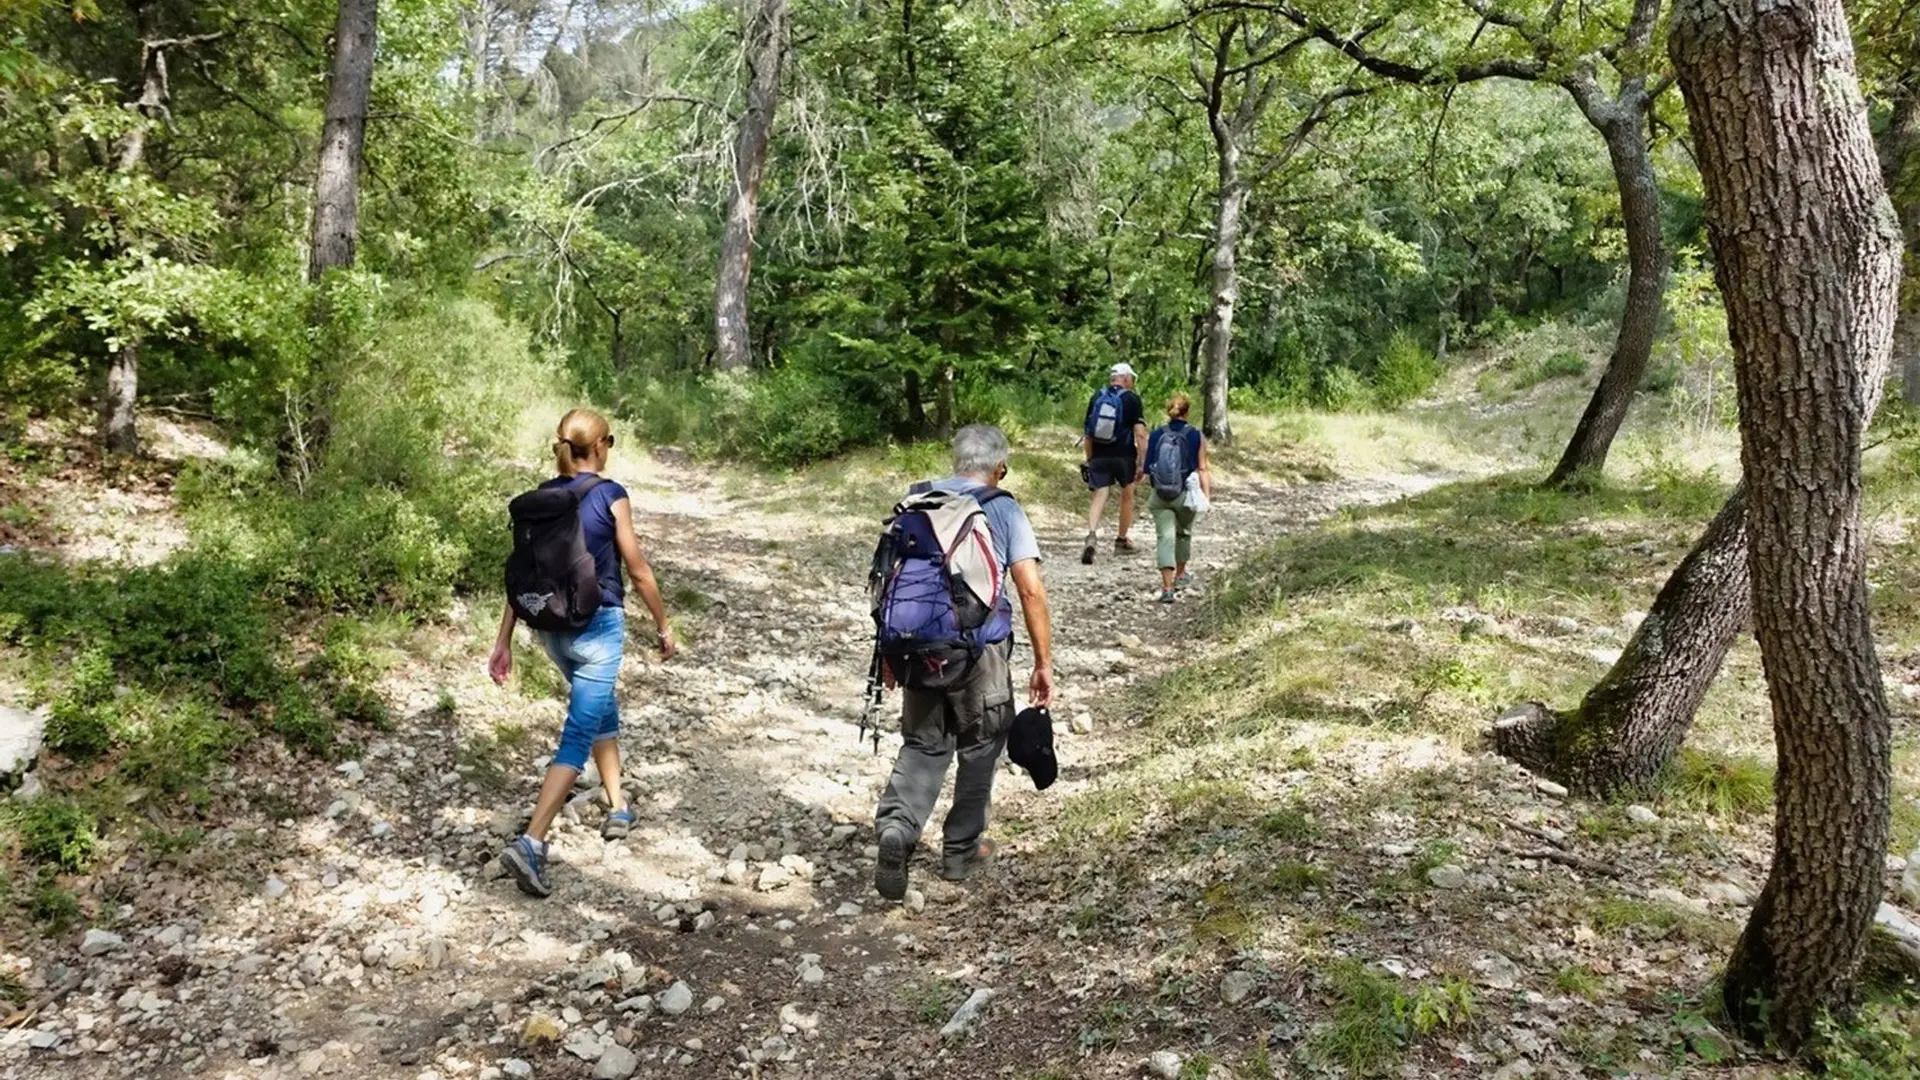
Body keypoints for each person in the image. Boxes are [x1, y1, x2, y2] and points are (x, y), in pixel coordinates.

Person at [487, 408, 676, 898]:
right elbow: (638, 570)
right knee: (578, 732)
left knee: (599, 712)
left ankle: (618, 806)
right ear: (601, 447)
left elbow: (519, 576)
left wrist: (504, 639)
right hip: (597, 629)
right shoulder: (609, 496)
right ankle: (532, 842)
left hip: (552, 631)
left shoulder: (540, 501)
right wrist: (663, 624)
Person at [874, 424, 1055, 900]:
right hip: (981, 651)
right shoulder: (1001, 507)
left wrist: (890, 654)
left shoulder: (918, 502)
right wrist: (1043, 662)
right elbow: (1030, 588)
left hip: (918, 645)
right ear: (999, 468)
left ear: (956, 461)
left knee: (923, 743)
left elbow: (888, 586)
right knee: (981, 744)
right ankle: (960, 852)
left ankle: (897, 828)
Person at [1145, 394, 1212, 603]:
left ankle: (1166, 588)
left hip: (1160, 495)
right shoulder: (1195, 435)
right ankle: (1180, 575)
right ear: (1187, 412)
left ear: (1168, 412)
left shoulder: (1156, 434)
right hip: (1185, 495)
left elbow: (1148, 468)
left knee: (1164, 538)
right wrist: (1206, 496)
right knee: (1183, 533)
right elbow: (1202, 468)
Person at [1080, 362, 1148, 565]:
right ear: (1126, 378)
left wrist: (1090, 459)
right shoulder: (1132, 399)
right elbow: (1141, 435)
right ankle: (1121, 540)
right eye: (1132, 379)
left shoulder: (1097, 397)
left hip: (1099, 455)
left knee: (1099, 494)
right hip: (1124, 455)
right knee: (1127, 494)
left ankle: (1091, 535)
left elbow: (1088, 435)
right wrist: (1141, 462)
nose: (1132, 383)